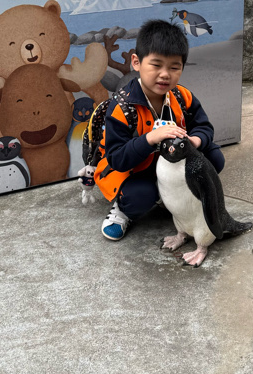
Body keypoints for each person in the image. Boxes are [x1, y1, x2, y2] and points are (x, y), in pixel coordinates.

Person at [93, 19, 223, 240]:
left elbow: (203, 126)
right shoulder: (122, 107)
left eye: (174, 67)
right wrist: (150, 139)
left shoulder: (181, 96)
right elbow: (117, 159)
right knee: (140, 196)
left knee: (214, 159)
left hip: (170, 165)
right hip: (134, 170)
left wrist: (195, 141)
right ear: (136, 62)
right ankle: (122, 210)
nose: (165, 74)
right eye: (156, 65)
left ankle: (173, 197)